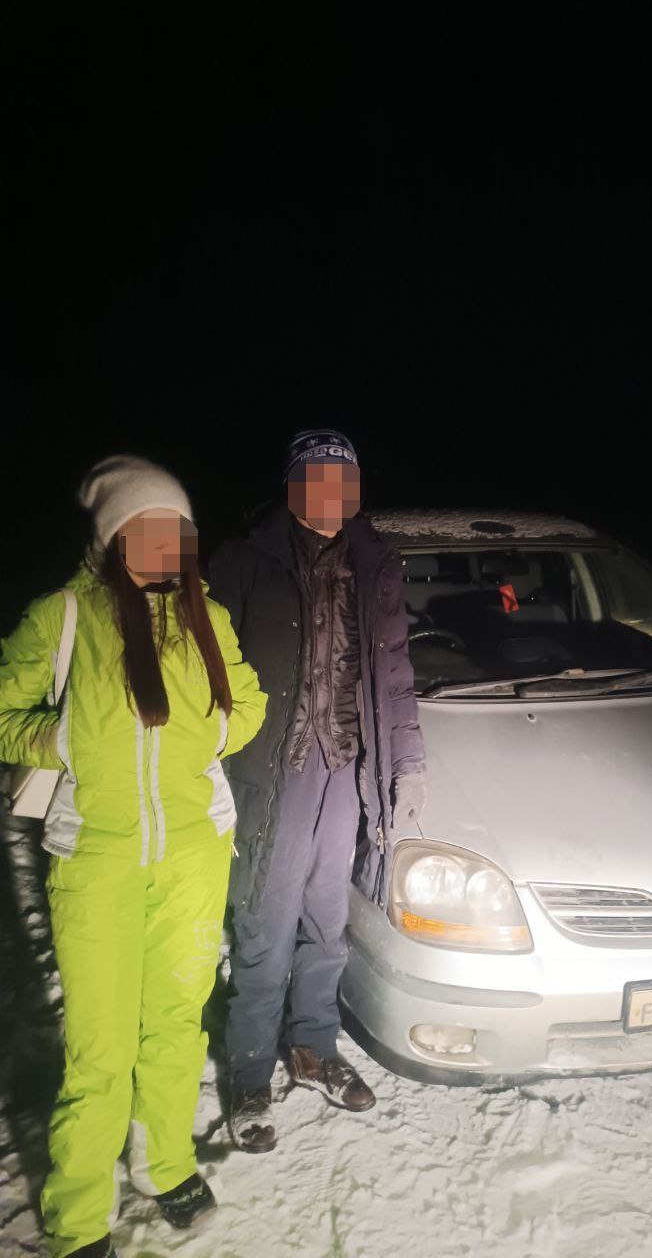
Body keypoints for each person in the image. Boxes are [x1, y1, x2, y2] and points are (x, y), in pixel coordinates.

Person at [0, 456, 267, 1258]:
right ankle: (81, 1217)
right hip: (96, 860)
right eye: (144, 529)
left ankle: (164, 1165)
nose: (162, 544)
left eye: (175, 530)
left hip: (193, 856)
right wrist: (61, 742)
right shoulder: (62, 617)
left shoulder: (205, 617)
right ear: (112, 538)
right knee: (100, 1049)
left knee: (177, 1028)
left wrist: (213, 734)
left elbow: (251, 704)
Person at [208, 428, 426, 1152]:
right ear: (293, 485)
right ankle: (248, 1074)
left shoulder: (375, 564)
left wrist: (407, 765)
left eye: (345, 480)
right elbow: (209, 675)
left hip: (346, 769)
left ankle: (313, 1047)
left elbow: (395, 676)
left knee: (328, 919)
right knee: (265, 924)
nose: (333, 495)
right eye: (318, 479)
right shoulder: (245, 561)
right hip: (273, 772)